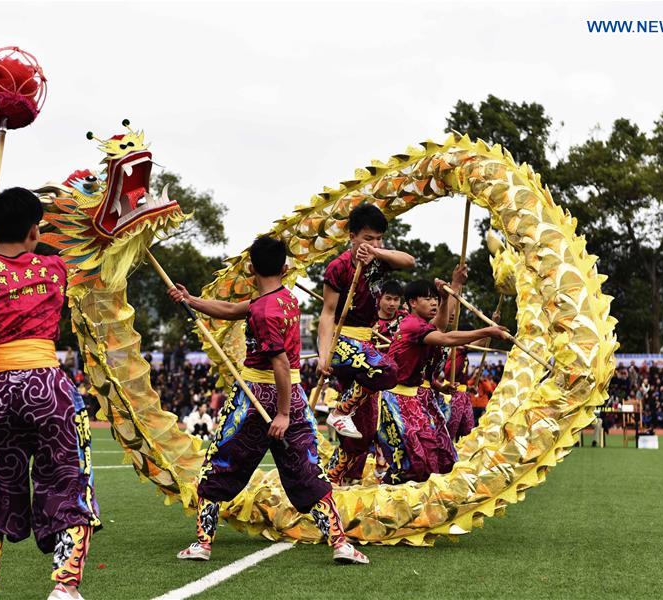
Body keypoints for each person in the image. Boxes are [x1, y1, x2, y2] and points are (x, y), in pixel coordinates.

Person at [169, 235, 368, 564]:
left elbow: (278, 363)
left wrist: (283, 415)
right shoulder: (287, 300)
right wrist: (190, 301)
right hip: (293, 395)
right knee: (307, 469)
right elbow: (234, 310)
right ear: (285, 267)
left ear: (250, 268)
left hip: (258, 399)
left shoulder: (263, 311)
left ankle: (203, 543)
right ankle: (340, 543)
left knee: (219, 467)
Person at [0, 188, 101, 600]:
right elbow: (38, 252)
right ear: (35, 230)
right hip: (49, 389)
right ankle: (65, 587)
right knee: (68, 483)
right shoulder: (55, 269)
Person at [317, 205, 414, 483]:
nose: (375, 244)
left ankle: (336, 481)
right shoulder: (338, 267)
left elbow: (409, 262)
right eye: (368, 238)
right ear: (352, 237)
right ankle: (340, 410)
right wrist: (325, 355)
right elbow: (327, 314)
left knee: (364, 430)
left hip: (366, 344)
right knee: (388, 371)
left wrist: (377, 252)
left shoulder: (379, 260)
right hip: (342, 341)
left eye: (379, 239)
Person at [377, 277, 507, 482]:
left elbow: (441, 328)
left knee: (442, 453)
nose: (434, 303)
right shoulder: (412, 325)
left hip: (416, 398)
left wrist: (447, 297)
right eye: (428, 299)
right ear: (412, 302)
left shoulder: (423, 325)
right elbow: (447, 338)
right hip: (395, 398)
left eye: (435, 299)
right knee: (414, 460)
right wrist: (487, 330)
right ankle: (387, 495)